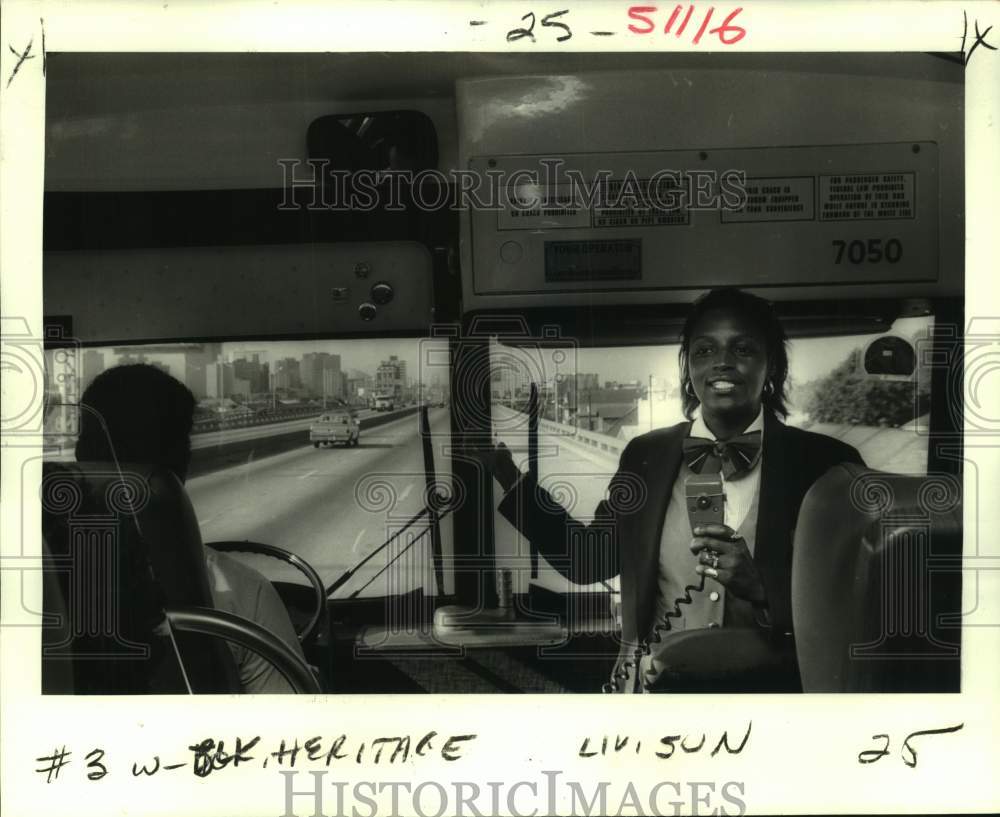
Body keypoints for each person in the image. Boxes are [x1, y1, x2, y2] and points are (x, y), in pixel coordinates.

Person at [485, 288, 865, 692]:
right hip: (655, 692)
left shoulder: (829, 466)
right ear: (689, 369)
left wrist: (763, 588)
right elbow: (587, 560)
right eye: (704, 351)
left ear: (771, 365)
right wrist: (509, 477)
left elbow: (858, 604)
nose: (722, 362)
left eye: (743, 349)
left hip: (777, 696)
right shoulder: (644, 457)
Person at [74, 363, 305, 693]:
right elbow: (289, 732)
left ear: (79, 454)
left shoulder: (33, 584)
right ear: (183, 462)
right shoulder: (242, 593)